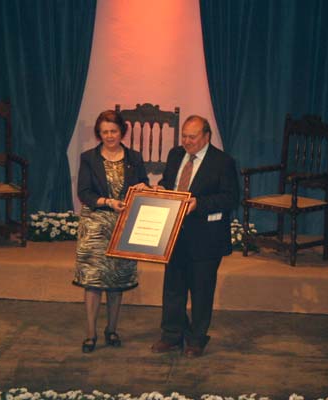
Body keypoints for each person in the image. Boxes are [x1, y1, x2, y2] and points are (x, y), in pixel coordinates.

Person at [151, 115, 239, 357]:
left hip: (206, 238)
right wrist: (160, 188)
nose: (186, 141)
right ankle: (171, 335)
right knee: (173, 289)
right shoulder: (175, 154)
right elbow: (170, 182)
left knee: (201, 291)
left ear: (206, 137)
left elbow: (231, 198)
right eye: (184, 136)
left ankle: (196, 340)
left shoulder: (223, 162)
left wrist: (198, 203)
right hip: (175, 235)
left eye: (192, 137)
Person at [73, 110, 149, 353]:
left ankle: (112, 330)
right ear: (99, 133)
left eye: (113, 131)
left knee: (117, 283)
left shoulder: (134, 158)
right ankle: (90, 333)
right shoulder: (88, 158)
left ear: (122, 132)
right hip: (95, 226)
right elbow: (84, 193)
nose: (109, 136)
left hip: (124, 226)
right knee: (93, 283)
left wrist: (143, 187)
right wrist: (107, 202)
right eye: (104, 132)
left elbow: (144, 185)